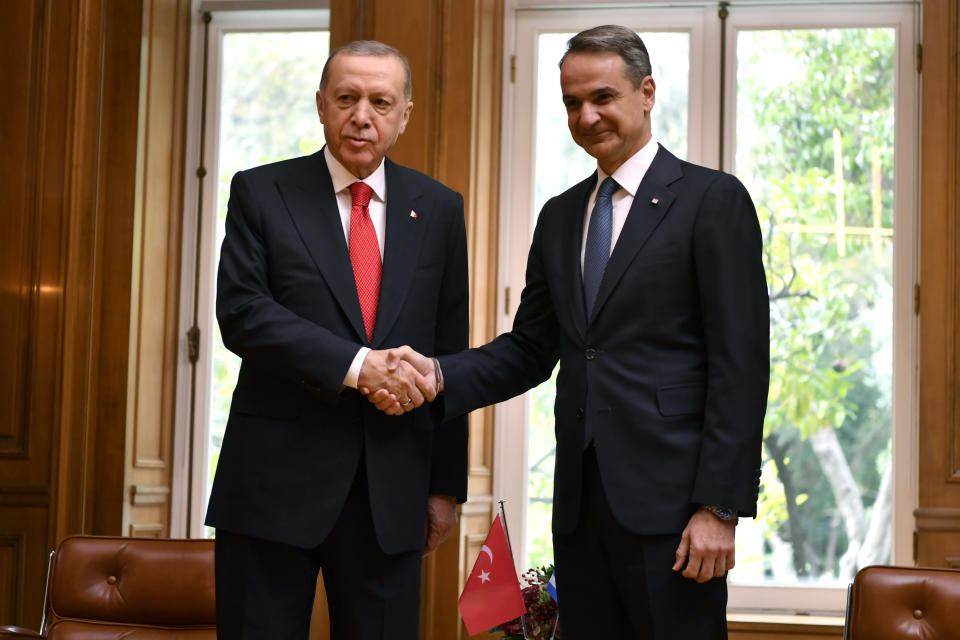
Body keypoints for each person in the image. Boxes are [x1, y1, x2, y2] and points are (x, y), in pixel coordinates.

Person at [369, 25, 769, 639]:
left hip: (677, 514)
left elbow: (741, 364)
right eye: (572, 103)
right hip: (581, 512)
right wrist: (440, 373)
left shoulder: (711, 201)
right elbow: (531, 348)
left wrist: (720, 507)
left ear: (647, 93)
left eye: (603, 97)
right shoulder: (559, 216)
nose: (587, 116)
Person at [206, 40, 469, 640]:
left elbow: (449, 353)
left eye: (381, 102)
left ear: (405, 115)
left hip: (391, 489)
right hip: (272, 487)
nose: (362, 116)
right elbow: (243, 313)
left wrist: (444, 487)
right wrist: (358, 366)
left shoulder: (440, 209)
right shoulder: (261, 192)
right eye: (347, 99)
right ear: (321, 106)